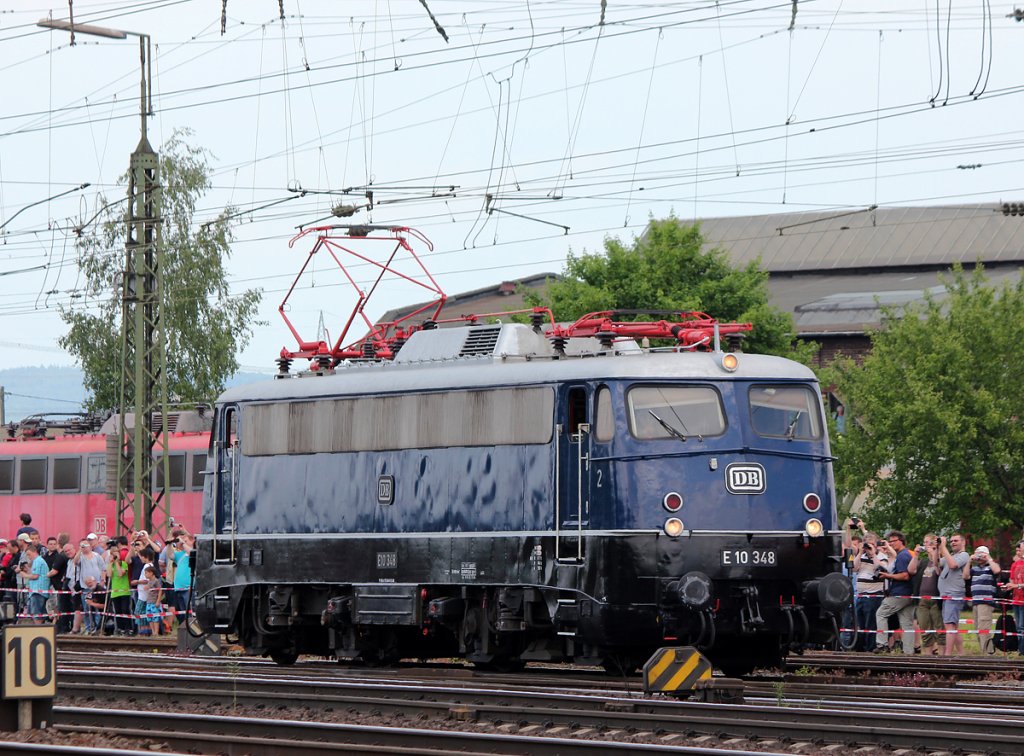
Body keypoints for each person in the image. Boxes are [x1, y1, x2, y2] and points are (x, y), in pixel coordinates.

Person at [874, 531, 916, 654]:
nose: (891, 543)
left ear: (901, 541)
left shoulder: (902, 556)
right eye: (890, 541)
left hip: (899, 593)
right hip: (909, 594)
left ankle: (882, 644)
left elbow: (905, 576)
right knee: (907, 623)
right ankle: (908, 651)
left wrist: (887, 576)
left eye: (894, 541)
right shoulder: (905, 554)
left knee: (881, 614)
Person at [853, 530, 887, 650]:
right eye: (867, 544)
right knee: (861, 623)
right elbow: (854, 569)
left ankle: (871, 647)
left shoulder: (881, 557)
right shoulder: (862, 556)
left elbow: (880, 571)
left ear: (876, 544)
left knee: (871, 623)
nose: (869, 547)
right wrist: (860, 553)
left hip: (873, 594)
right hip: (861, 594)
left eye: (872, 544)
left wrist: (873, 555)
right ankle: (862, 647)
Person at [938, 534, 970, 656]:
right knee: (953, 626)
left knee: (949, 625)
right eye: (951, 541)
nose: (953, 543)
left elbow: (953, 565)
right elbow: (936, 563)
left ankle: (947, 655)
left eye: (956, 540)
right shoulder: (951, 556)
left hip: (954, 594)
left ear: (963, 542)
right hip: (946, 594)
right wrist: (936, 549)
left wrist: (943, 547)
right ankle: (961, 653)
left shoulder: (964, 555)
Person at [912, 534, 942, 655]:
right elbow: (911, 570)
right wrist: (916, 555)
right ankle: (928, 655)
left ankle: (942, 655)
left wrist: (934, 552)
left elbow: (938, 569)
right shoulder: (923, 562)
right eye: (924, 542)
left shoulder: (941, 558)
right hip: (922, 599)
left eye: (928, 542)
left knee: (939, 629)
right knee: (924, 629)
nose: (925, 545)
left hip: (936, 599)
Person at [968, 545, 1001, 655]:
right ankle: (984, 651)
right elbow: (965, 576)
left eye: (980, 554)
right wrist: (969, 561)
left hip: (986, 602)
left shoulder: (991, 567)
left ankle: (988, 653)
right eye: (977, 554)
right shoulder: (974, 569)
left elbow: (997, 570)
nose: (979, 556)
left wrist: (988, 558)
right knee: (978, 628)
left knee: (984, 628)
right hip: (975, 601)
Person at [21, 543, 50, 624]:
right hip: (37, 590)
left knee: (36, 613)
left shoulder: (38, 561)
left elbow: (35, 576)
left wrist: (25, 575)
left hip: (38, 591)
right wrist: (28, 570)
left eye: (29, 554)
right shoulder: (37, 561)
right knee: (37, 613)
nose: (28, 557)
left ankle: (38, 628)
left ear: (35, 552)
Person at [1006, 541, 1024, 656]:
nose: (1018, 551)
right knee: (1018, 626)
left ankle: (1022, 650)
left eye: (1020, 549)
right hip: (1016, 599)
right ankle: (1020, 649)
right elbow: (1012, 579)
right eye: (1017, 550)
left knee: (1022, 626)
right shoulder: (1015, 564)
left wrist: (1016, 585)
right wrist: (1009, 586)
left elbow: (1015, 584)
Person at [138, 563, 163, 637]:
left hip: (154, 601)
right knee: (149, 617)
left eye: (146, 573)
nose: (145, 575)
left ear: (151, 573)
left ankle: (156, 632)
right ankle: (153, 631)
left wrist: (158, 601)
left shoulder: (156, 581)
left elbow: (160, 590)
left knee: (155, 617)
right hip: (148, 602)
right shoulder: (149, 582)